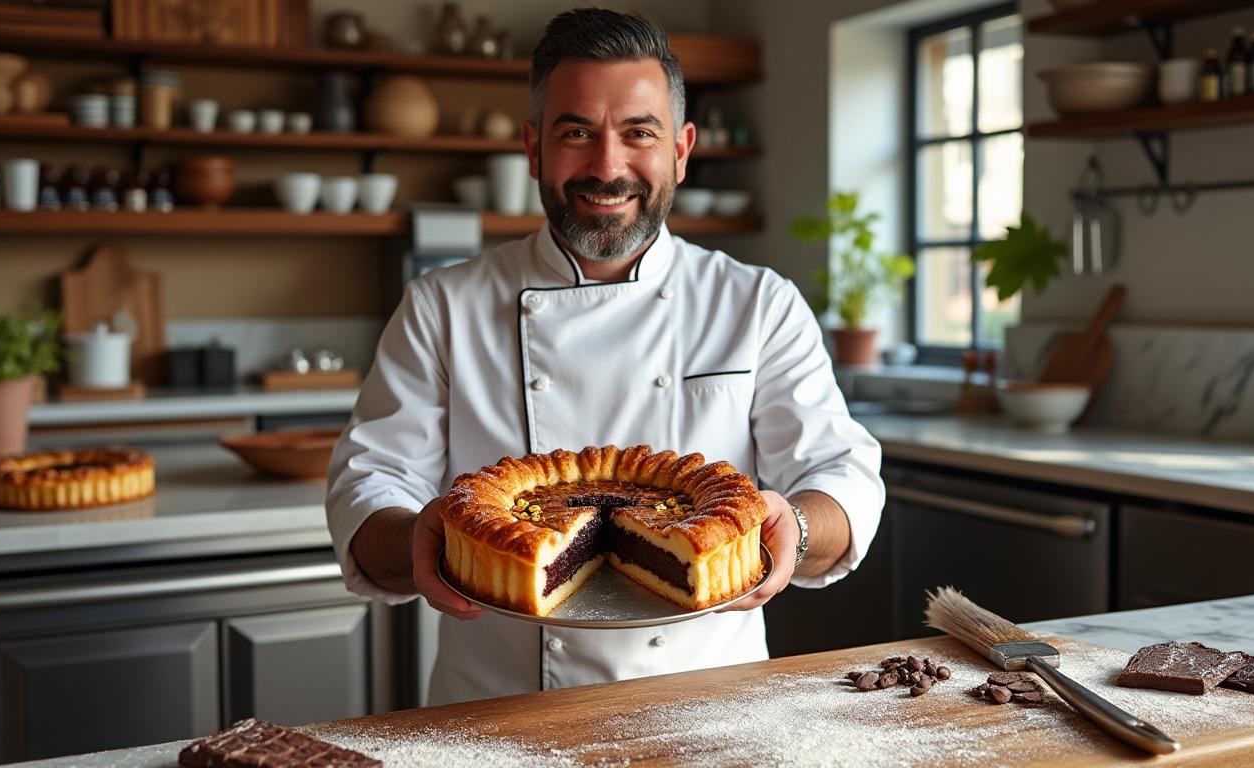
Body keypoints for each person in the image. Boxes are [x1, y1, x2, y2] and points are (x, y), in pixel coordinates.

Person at [326, 8, 884, 707]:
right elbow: (368, 483)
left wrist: (794, 528)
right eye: (576, 133)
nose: (607, 166)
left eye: (638, 133)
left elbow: (843, 473)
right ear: (533, 148)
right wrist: (420, 537)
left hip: (710, 710)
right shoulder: (443, 307)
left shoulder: (758, 303)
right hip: (500, 716)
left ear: (682, 150)